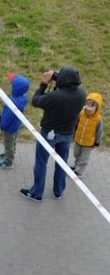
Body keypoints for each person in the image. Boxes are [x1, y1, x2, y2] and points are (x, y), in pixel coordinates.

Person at [20, 67, 87, 202]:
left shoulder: (54, 97)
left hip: (48, 133)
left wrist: (44, 83)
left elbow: (36, 101)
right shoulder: (82, 94)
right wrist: (58, 80)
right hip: (67, 134)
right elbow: (67, 89)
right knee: (62, 163)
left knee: (41, 162)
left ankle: (37, 193)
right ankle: (58, 191)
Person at [0, 73, 30, 169]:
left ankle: (8, 161)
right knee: (13, 141)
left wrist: (2, 126)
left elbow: (7, 118)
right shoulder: (23, 97)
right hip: (17, 124)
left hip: (9, 127)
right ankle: (10, 152)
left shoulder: (12, 103)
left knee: (8, 143)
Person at [72, 92, 103, 176]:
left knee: (84, 158)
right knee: (76, 153)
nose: (88, 107)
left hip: (88, 143)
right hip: (78, 138)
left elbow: (99, 131)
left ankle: (79, 172)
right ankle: (76, 165)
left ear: (96, 107)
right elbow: (76, 124)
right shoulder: (81, 113)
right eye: (87, 104)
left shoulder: (98, 119)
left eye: (91, 105)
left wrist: (97, 142)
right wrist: (73, 134)